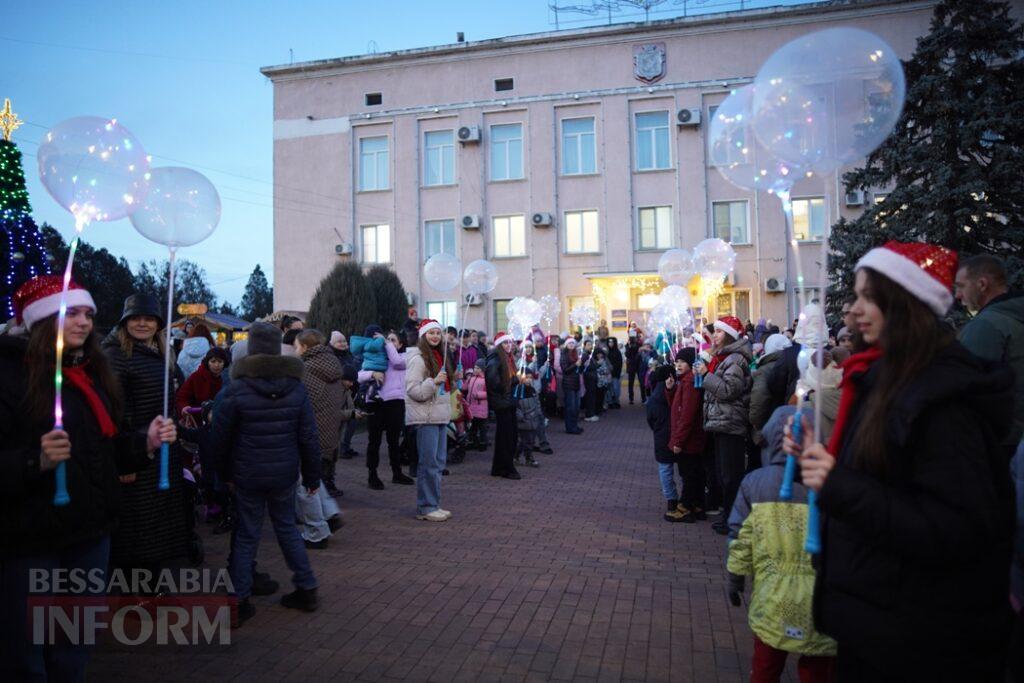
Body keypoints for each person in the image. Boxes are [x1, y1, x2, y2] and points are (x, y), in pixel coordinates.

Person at [786, 241, 1014, 680]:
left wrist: (837, 484)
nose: (853, 311)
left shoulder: (944, 402)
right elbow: (881, 477)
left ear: (904, 304)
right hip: (880, 624)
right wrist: (818, 456)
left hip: (922, 641)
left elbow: (959, 529)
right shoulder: (887, 379)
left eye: (868, 297)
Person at [0, 277, 175, 680]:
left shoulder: (93, 373)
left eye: (88, 314)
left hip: (90, 533)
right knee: (25, 644)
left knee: (75, 639)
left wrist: (144, 443)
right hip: (30, 538)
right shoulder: (9, 375)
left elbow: (104, 449)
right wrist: (34, 462)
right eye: (71, 313)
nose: (84, 323)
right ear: (41, 320)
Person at [209, 322, 321, 624]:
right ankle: (306, 587)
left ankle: (239, 601)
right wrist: (313, 477)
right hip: (284, 472)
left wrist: (222, 474)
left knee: (247, 535)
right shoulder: (295, 387)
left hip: (246, 474)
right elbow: (309, 436)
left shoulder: (237, 388)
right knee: (287, 529)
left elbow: (219, 438)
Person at [727, 406, 837, 682]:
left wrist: (735, 579)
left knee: (765, 666)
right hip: (821, 603)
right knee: (818, 671)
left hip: (772, 598)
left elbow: (740, 539)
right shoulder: (833, 485)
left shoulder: (754, 483)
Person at [102, 294, 194, 572]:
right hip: (137, 453)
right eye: (135, 318)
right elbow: (114, 411)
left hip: (163, 451)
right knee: (137, 529)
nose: (142, 323)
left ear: (158, 323)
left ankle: (153, 590)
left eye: (149, 318)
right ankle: (136, 601)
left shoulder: (160, 353)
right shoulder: (116, 355)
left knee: (159, 525)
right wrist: (125, 459)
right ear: (125, 321)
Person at [955, 254, 1024, 457]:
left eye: (960, 286)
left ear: (982, 284)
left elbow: (968, 387)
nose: (958, 295)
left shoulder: (986, 326)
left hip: (1002, 443)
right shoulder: (1014, 315)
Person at [694, 316, 752, 536]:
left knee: (731, 475)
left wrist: (706, 375)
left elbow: (729, 390)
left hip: (730, 422)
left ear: (729, 335)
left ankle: (733, 519)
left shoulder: (735, 359)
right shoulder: (723, 357)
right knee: (723, 473)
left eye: (718, 332)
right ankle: (727, 515)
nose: (714, 335)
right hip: (720, 421)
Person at [295, 328, 352, 505]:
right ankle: (325, 512)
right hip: (330, 427)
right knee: (318, 475)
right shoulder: (332, 364)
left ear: (304, 347)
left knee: (308, 480)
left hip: (311, 430)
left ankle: (322, 517)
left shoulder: (305, 369)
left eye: (296, 346)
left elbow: (301, 401)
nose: (295, 350)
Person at [404, 319, 453, 522]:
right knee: (428, 464)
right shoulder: (418, 359)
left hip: (439, 416)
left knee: (438, 463)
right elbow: (413, 390)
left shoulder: (440, 356)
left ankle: (434, 504)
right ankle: (426, 506)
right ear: (423, 336)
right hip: (426, 418)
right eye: (431, 333)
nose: (435, 336)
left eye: (438, 333)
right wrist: (434, 382)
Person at [359, 328, 414, 489]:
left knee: (393, 440)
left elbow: (397, 363)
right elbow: (359, 375)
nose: (388, 342)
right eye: (387, 339)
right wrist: (372, 375)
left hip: (395, 402)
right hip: (375, 402)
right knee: (374, 440)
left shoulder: (404, 357)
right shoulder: (376, 357)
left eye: (393, 340)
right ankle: (372, 474)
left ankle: (397, 473)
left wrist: (386, 343)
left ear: (400, 344)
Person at [669, 348, 707, 522]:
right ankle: (697, 505)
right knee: (693, 472)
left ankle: (685, 507)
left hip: (690, 438)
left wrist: (678, 440)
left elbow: (687, 415)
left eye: (682, 362)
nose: (678, 365)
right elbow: (677, 407)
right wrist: (670, 390)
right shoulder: (684, 380)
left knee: (688, 473)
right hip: (690, 437)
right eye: (676, 362)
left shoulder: (690, 382)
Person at [647, 365, 686, 523]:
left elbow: (651, 420)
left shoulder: (654, 398)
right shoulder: (679, 391)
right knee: (685, 470)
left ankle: (671, 500)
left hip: (661, 438)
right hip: (679, 436)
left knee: (665, 469)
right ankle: (686, 499)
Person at [487, 331, 522, 479]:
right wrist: (515, 380)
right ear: (499, 345)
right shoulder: (495, 360)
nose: (508, 345)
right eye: (505, 343)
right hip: (502, 403)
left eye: (509, 342)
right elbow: (493, 383)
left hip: (508, 402)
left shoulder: (508, 359)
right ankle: (507, 468)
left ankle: (499, 467)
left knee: (507, 436)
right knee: (507, 437)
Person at [749, 333, 791, 448]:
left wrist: (755, 423)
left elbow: (759, 399)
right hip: (789, 422)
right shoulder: (792, 364)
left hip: (769, 424)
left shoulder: (765, 369)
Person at [330, 331, 360, 460]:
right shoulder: (331, 356)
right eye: (339, 341)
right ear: (332, 343)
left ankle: (345, 446)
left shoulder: (348, 354)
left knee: (352, 419)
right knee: (342, 419)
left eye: (344, 341)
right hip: (339, 391)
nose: (342, 344)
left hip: (351, 390)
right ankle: (337, 448)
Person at [175, 347, 229, 415]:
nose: (216, 365)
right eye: (213, 361)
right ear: (208, 362)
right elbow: (182, 397)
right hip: (198, 418)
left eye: (220, 361)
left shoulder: (228, 378)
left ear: (224, 363)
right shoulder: (196, 376)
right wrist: (184, 407)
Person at [515, 369, 542, 468]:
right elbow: (516, 406)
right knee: (522, 441)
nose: (529, 380)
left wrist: (537, 414)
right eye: (527, 377)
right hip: (523, 421)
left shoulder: (533, 390)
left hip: (532, 420)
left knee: (530, 440)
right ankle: (517, 456)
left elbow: (537, 403)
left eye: (531, 378)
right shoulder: (518, 391)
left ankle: (528, 458)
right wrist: (520, 416)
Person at [560, 337, 584, 434]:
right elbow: (565, 370)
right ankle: (570, 427)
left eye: (573, 344)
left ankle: (574, 425)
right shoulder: (564, 355)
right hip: (568, 384)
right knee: (570, 407)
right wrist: (575, 365)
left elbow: (579, 370)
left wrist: (582, 364)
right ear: (566, 345)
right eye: (569, 344)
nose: (571, 345)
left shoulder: (576, 355)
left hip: (576, 383)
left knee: (576, 406)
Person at [466, 357, 489, 451]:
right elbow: (466, 388)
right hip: (472, 407)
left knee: (482, 428)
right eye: (475, 367)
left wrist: (478, 395)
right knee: (473, 427)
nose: (475, 369)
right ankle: (472, 442)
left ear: (482, 369)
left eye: (478, 368)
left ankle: (483, 443)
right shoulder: (472, 378)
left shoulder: (485, 380)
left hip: (481, 408)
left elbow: (489, 393)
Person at [605, 336, 623, 409]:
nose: (610, 344)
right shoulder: (606, 352)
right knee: (609, 389)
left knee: (616, 388)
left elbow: (620, 363)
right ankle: (610, 402)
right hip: (607, 374)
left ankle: (616, 401)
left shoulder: (617, 352)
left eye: (612, 342)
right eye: (609, 342)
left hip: (615, 373)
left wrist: (616, 371)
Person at [625, 334, 641, 405]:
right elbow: (627, 354)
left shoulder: (638, 345)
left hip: (637, 365)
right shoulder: (627, 346)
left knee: (641, 382)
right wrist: (629, 347)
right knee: (630, 383)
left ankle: (643, 398)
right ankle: (631, 399)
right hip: (632, 366)